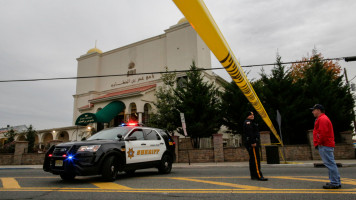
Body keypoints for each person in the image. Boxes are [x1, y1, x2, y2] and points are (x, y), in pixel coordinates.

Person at [310, 104, 341, 189]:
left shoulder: (322, 119)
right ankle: (335, 181)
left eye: (314, 110)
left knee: (330, 164)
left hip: (325, 145)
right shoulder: (322, 118)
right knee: (330, 164)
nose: (312, 112)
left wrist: (319, 142)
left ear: (318, 110)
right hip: (326, 144)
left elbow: (323, 133)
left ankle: (335, 183)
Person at [243, 111, 268, 181]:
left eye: (253, 115)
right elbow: (250, 133)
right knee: (256, 160)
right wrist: (253, 142)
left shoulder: (251, 122)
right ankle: (259, 176)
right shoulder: (248, 123)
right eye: (251, 115)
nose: (252, 116)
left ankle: (253, 175)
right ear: (248, 116)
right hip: (253, 143)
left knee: (253, 160)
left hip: (252, 142)